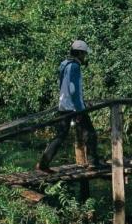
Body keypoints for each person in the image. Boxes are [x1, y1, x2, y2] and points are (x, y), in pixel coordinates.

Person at [36, 40, 101, 173]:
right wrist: (79, 109)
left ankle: (43, 163)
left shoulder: (64, 64)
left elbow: (63, 87)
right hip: (73, 106)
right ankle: (94, 162)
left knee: (60, 136)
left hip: (63, 104)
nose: (84, 57)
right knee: (90, 133)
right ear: (79, 53)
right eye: (84, 54)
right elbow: (73, 89)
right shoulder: (75, 66)